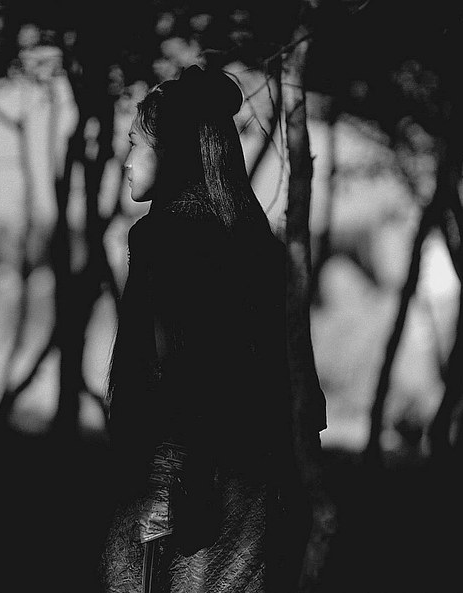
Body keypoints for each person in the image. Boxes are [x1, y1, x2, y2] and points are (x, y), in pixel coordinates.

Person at [99, 65, 309, 593]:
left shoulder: (163, 239)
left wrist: (161, 482)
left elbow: (173, 376)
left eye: (136, 144)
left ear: (173, 152)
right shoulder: (258, 247)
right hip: (257, 488)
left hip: (181, 491)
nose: (126, 160)